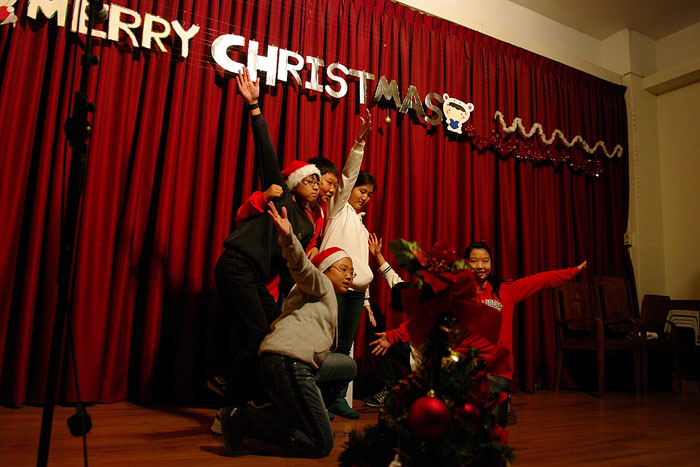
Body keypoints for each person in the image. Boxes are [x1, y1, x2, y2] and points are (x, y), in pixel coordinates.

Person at [212, 67, 321, 405]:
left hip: (256, 278)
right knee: (256, 335)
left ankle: (258, 397)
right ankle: (230, 409)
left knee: (275, 332)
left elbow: (290, 267)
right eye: (310, 180)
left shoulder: (307, 225)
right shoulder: (280, 196)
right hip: (236, 265)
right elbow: (266, 153)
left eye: (318, 182)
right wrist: (254, 107)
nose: (315, 186)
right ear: (294, 183)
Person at [219, 202, 357, 458]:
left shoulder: (323, 300)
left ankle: (297, 414)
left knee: (347, 365)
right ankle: (242, 419)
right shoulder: (320, 283)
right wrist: (289, 238)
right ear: (324, 270)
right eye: (343, 269)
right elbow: (302, 267)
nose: (350, 276)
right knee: (320, 444)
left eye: (352, 272)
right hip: (289, 363)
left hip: (285, 364)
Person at [364, 235, 507, 409]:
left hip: (439, 364)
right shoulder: (416, 294)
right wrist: (378, 256)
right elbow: (394, 281)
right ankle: (391, 391)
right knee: (378, 341)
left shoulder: (451, 299)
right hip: (415, 353)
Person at [464, 240, 586, 427]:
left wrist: (571, 271)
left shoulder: (505, 291)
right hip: (468, 369)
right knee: (467, 427)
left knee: (494, 430)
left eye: (485, 261)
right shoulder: (459, 293)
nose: (480, 266)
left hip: (498, 370)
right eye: (474, 261)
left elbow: (540, 280)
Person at [319, 161, 377, 418]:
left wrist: (366, 302)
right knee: (328, 344)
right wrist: (359, 147)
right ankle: (319, 399)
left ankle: (337, 397)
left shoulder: (361, 227)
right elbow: (347, 175)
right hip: (335, 288)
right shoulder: (339, 209)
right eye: (362, 191)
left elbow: (361, 265)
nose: (365, 197)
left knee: (344, 347)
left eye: (369, 194)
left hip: (356, 293)